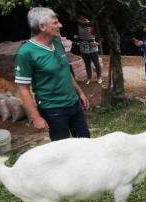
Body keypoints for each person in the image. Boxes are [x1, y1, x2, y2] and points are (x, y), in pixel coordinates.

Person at [14, 7, 90, 141]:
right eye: (55, 23)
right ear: (42, 26)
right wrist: (36, 118)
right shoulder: (25, 53)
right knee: (62, 149)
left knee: (85, 141)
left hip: (73, 104)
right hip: (53, 110)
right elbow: (23, 88)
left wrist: (80, 92)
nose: (60, 25)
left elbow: (65, 70)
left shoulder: (57, 43)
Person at [76, 14, 103, 85]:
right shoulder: (79, 24)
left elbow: (100, 36)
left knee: (96, 63)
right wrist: (77, 37)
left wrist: (97, 43)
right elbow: (80, 35)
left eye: (82, 17)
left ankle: (99, 77)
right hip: (83, 46)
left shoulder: (91, 25)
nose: (80, 19)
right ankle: (89, 78)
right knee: (87, 63)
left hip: (92, 46)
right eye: (79, 17)